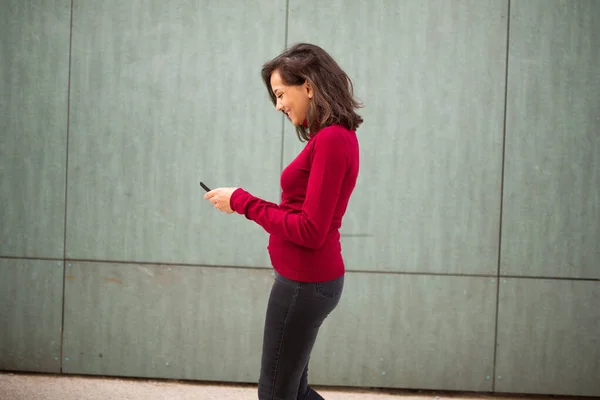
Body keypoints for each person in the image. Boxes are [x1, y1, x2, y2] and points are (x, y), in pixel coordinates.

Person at [204, 42, 363, 400]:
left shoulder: (333, 140)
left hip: (305, 285)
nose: (278, 105)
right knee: (291, 391)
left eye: (280, 93)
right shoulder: (331, 138)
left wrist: (242, 201)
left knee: (275, 394)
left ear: (308, 86)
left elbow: (310, 229)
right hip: (304, 281)